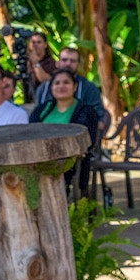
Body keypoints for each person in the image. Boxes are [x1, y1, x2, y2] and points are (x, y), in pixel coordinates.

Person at [30, 68, 98, 197]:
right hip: (38, 157)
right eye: (57, 83)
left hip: (70, 161)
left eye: (66, 82)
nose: (61, 86)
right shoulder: (42, 109)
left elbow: (88, 141)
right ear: (51, 87)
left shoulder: (86, 111)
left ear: (75, 86)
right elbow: (30, 132)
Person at [35, 47, 105, 127]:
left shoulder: (89, 88)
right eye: (64, 60)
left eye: (72, 61)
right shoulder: (43, 88)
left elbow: (99, 119)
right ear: (57, 63)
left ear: (78, 65)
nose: (68, 64)